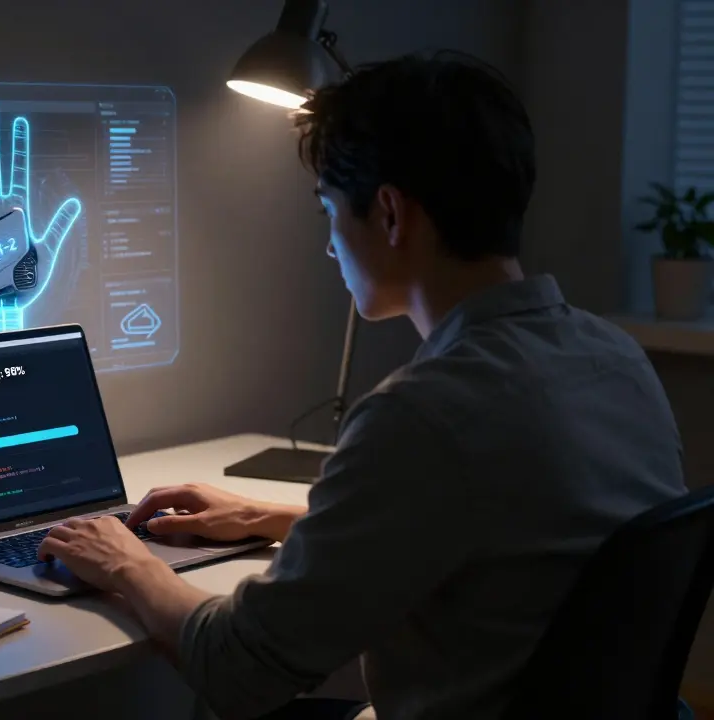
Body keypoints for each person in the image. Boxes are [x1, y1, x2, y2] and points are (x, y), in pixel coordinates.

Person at [35, 50, 688, 720]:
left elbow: (237, 666)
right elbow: (508, 536)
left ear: (391, 215)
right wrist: (274, 517)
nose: (329, 248)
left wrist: (124, 561)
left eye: (328, 214)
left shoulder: (420, 416)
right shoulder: (614, 359)